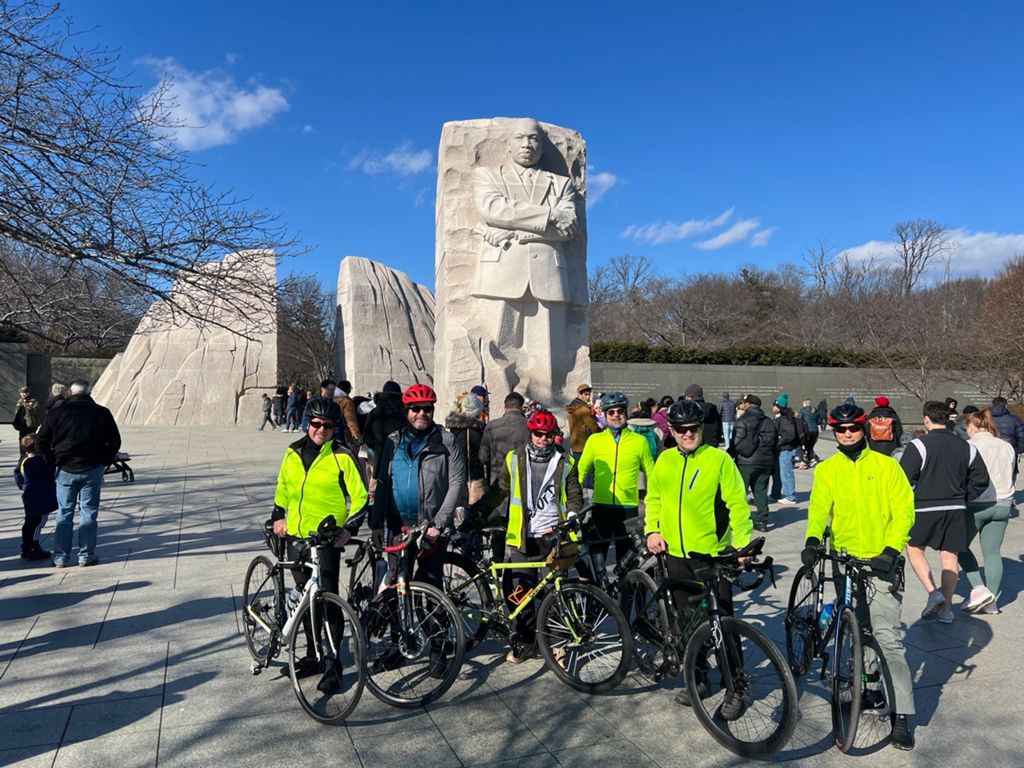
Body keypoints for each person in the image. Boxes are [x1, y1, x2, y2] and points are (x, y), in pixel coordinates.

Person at [802, 402, 917, 750]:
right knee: (860, 633)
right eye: (841, 429)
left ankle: (901, 713)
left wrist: (891, 550)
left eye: (853, 428)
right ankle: (868, 689)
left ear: (864, 428)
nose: (848, 433)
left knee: (887, 637)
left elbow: (904, 511)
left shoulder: (886, 466)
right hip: (844, 562)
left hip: (881, 563)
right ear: (834, 431)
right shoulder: (827, 470)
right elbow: (819, 508)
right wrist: (812, 539)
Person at [644, 400, 752, 712]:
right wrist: (653, 530)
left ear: (701, 429)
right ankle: (700, 679)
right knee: (687, 623)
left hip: (712, 556)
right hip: (675, 555)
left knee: (723, 625)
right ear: (672, 431)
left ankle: (736, 688)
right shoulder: (665, 460)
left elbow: (738, 504)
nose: (688, 434)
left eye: (693, 428)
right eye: (681, 429)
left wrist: (741, 546)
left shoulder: (718, 459)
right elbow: (653, 498)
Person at [471, 118, 580, 392]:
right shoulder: (488, 175)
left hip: (549, 274)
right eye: (520, 138)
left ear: (542, 147)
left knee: (548, 357)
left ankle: (547, 406)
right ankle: (497, 403)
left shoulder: (561, 184)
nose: (527, 144)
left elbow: (569, 228)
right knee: (495, 348)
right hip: (501, 270)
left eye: (533, 139)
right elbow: (493, 209)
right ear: (508, 144)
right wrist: (549, 214)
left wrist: (516, 230)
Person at [471, 410, 583, 662]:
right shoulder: (514, 459)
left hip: (554, 535)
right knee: (521, 594)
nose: (543, 439)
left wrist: (573, 514)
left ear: (554, 435)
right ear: (531, 434)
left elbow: (574, 494)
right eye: (538, 434)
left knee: (555, 592)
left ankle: (558, 644)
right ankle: (526, 641)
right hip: (523, 538)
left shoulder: (565, 462)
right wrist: (478, 513)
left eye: (548, 435)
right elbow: (499, 491)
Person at [271, 397, 367, 677]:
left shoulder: (342, 455)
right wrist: (278, 515)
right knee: (305, 598)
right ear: (307, 423)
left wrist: (348, 529)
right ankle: (313, 655)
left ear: (335, 428)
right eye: (316, 424)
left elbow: (361, 497)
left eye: (328, 426)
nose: (321, 430)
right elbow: (283, 487)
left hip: (325, 540)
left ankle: (333, 662)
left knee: (327, 600)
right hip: (296, 536)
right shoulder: (292, 452)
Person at [900, 401, 989, 624]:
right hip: (956, 507)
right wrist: (963, 496)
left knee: (914, 548)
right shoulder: (966, 446)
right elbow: (981, 479)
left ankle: (933, 592)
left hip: (925, 506)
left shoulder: (919, 445)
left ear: (926, 420)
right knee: (950, 556)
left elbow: (903, 479)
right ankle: (947, 609)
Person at [370, 383, 465, 590]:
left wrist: (439, 523)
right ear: (407, 411)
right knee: (396, 586)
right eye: (415, 409)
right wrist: (376, 523)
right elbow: (383, 484)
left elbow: (456, 483)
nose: (421, 413)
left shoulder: (446, 440)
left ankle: (430, 613)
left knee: (431, 586)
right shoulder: (394, 441)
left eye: (427, 409)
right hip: (398, 526)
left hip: (431, 526)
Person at [35, 379, 121, 567]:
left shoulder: (56, 413)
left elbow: (41, 441)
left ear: (70, 393)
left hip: (65, 467)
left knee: (64, 513)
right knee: (88, 512)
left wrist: (52, 460)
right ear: (89, 393)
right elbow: (115, 441)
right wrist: (103, 461)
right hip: (92, 467)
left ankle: (61, 557)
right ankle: (86, 555)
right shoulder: (101, 413)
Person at [576, 392, 655, 580]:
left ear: (625, 413)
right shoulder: (595, 440)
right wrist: (573, 502)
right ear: (605, 415)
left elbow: (652, 474)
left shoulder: (639, 441)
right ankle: (600, 593)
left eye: (620, 411)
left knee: (625, 563)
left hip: (628, 509)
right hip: (601, 507)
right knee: (598, 561)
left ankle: (624, 594)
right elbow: (580, 472)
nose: (616, 415)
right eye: (611, 412)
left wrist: (655, 503)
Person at [958, 410, 1016, 614]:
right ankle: (992, 602)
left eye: (967, 427)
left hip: (978, 504)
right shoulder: (1006, 446)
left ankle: (979, 588)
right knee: (992, 553)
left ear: (973, 426)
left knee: (958, 545)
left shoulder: (970, 446)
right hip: (1004, 503)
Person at [730, 394, 777, 532]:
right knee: (761, 491)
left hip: (746, 462)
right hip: (766, 462)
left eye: (743, 402)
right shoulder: (769, 422)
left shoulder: (742, 420)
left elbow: (736, 442)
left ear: (748, 405)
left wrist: (731, 455)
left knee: (740, 492)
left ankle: (739, 519)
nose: (742, 404)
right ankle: (762, 521)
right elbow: (775, 445)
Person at [15, 433, 58, 561]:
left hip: (29, 495)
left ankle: (26, 546)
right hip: (42, 497)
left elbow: (18, 475)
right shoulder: (43, 461)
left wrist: (23, 486)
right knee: (38, 523)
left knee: (29, 522)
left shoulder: (23, 461)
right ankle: (33, 546)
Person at [445, 392, 488, 505]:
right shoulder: (479, 430)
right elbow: (484, 455)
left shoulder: (454, 429)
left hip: (456, 476)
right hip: (475, 477)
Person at [770, 394, 799, 506]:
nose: (772, 407)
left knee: (786, 473)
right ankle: (775, 494)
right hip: (781, 449)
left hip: (786, 449)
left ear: (779, 407)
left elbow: (790, 434)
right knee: (778, 472)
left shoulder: (785, 419)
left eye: (774, 405)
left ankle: (790, 496)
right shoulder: (781, 417)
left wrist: (779, 441)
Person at [988, 396, 1024, 475]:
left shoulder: (986, 419)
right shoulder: (1015, 419)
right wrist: (1018, 450)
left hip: (990, 451)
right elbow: (1022, 437)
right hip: (1010, 451)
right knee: (1009, 476)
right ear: (1006, 405)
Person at [566, 383, 599, 462]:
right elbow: (594, 427)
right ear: (579, 395)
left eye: (589, 394)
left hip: (576, 446)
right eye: (585, 394)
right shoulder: (583, 410)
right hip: (584, 446)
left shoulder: (573, 407)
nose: (588, 397)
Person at [333, 380, 363, 447]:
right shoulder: (346, 402)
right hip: (344, 434)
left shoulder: (332, 398)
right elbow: (351, 420)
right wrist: (357, 436)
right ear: (347, 389)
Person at [798, 398, 821, 466]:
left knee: (808, 445)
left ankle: (812, 459)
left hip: (807, 430)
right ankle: (810, 458)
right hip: (815, 430)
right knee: (810, 445)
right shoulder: (816, 410)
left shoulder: (802, 410)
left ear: (805, 404)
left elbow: (799, 420)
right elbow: (819, 421)